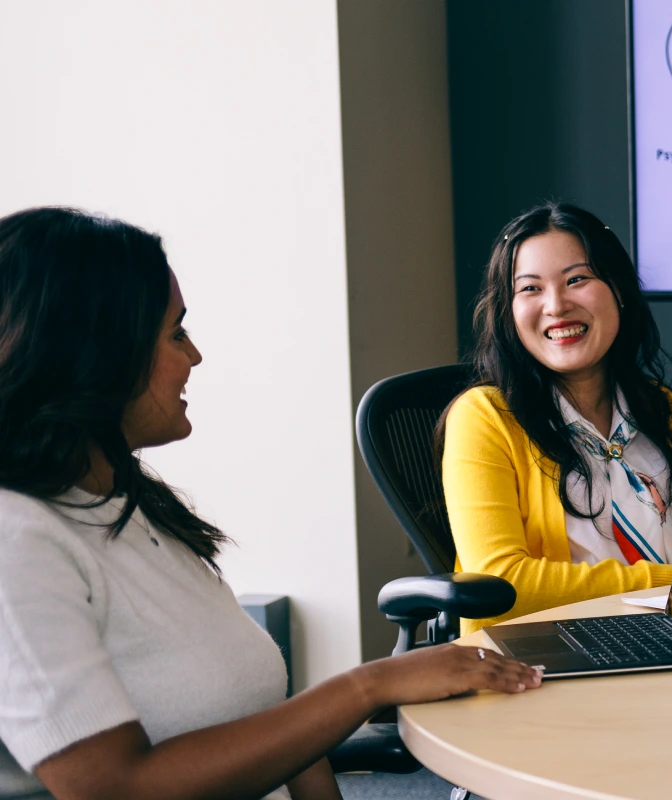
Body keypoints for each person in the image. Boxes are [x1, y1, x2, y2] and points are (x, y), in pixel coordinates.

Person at [0, 207, 542, 800]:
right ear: (95, 355)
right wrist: (369, 685)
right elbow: (115, 789)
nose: (195, 356)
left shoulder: (130, 501)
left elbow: (265, 714)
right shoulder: (18, 542)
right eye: (176, 333)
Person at [441, 202, 672, 635]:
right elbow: (501, 582)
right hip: (550, 653)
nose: (556, 305)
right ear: (508, 311)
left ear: (618, 289)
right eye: (530, 288)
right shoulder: (485, 418)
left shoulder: (663, 409)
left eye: (577, 279)